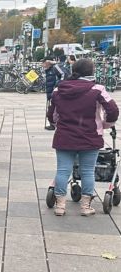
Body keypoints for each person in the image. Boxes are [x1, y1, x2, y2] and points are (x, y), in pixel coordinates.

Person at [47, 58, 119, 216]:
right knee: (87, 171)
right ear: (91, 72)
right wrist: (106, 124)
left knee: (62, 170)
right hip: (90, 136)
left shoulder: (59, 90)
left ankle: (60, 205)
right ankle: (86, 207)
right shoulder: (97, 89)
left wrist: (58, 124)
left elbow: (51, 115)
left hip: (64, 137)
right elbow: (112, 109)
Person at [43, 59, 65, 130]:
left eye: (44, 63)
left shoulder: (55, 68)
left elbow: (63, 74)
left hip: (55, 93)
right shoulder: (48, 71)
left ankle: (54, 124)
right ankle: (52, 124)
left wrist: (57, 85)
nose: (43, 65)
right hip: (50, 93)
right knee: (50, 110)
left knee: (53, 110)